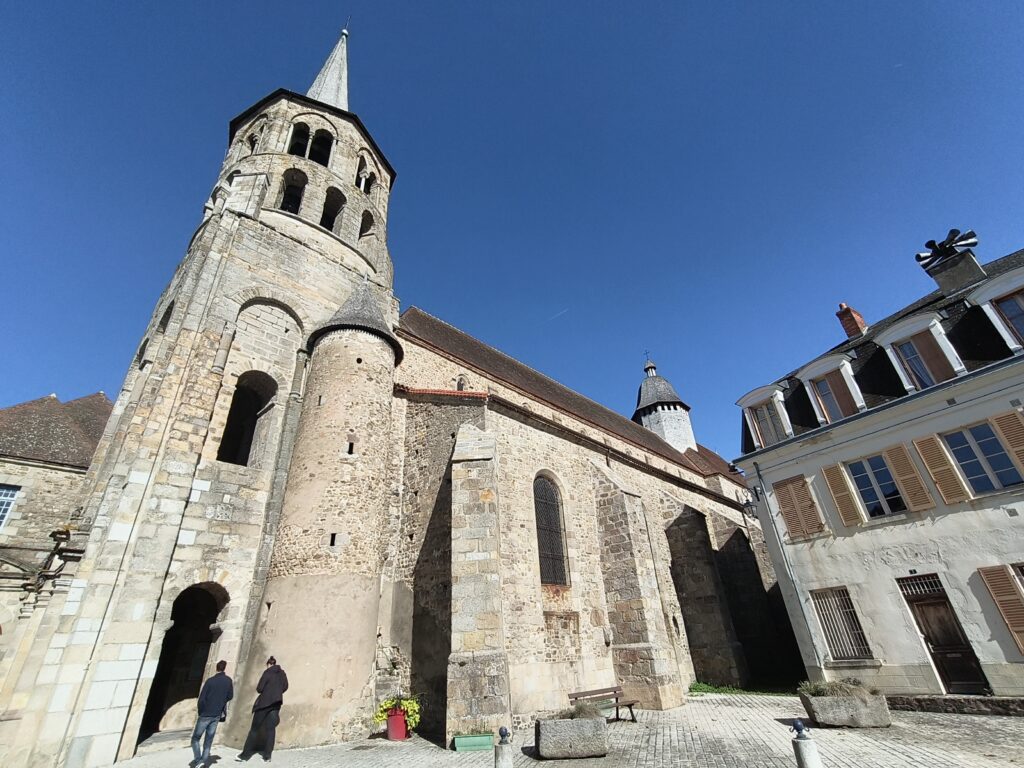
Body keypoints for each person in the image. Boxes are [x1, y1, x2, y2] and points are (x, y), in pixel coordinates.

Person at [238, 656, 289, 762]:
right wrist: (277, 693)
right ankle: (267, 756)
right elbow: (285, 686)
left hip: (264, 703)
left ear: (268, 664)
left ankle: (245, 755)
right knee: (271, 730)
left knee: (254, 729)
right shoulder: (282, 673)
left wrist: (268, 691)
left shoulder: (267, 672)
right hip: (276, 703)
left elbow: (259, 688)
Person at [191, 660, 233, 767]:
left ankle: (198, 760)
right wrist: (221, 702)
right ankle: (203, 761)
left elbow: (201, 699)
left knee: (195, 738)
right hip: (217, 714)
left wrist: (201, 711)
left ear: (216, 668)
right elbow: (230, 696)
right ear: (224, 668)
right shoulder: (228, 681)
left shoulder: (210, 681)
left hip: (205, 713)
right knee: (209, 739)